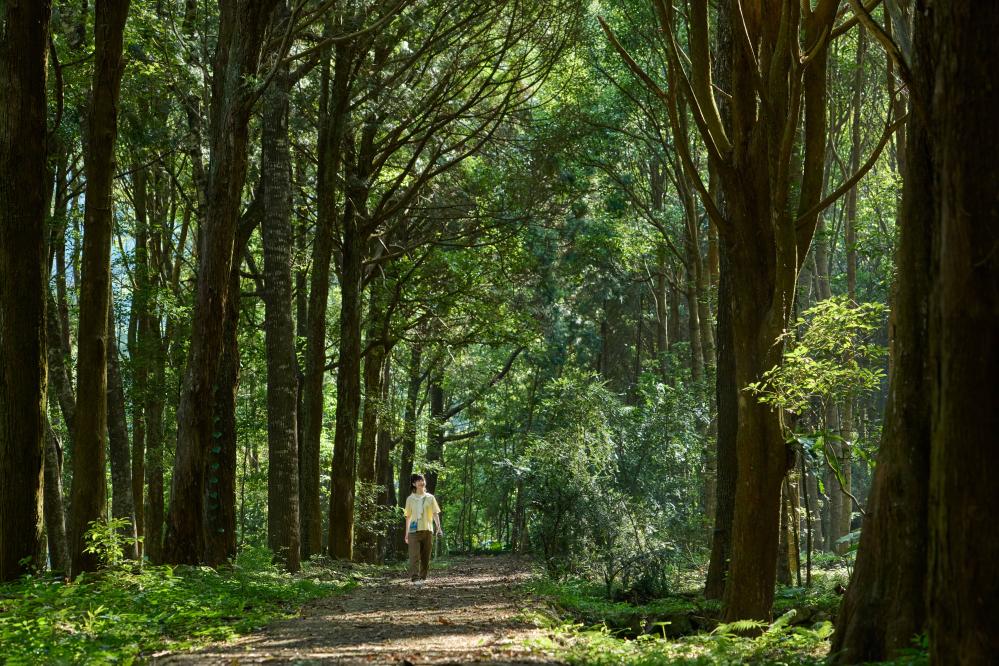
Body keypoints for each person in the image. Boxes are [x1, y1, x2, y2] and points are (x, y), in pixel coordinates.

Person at [403, 473, 442, 584]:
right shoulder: (410, 499)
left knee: (425, 557)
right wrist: (406, 534)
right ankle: (415, 578)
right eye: (419, 480)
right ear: (414, 483)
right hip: (413, 531)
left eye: (422, 480)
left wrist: (439, 527)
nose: (421, 482)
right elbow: (408, 517)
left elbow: (435, 513)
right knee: (414, 555)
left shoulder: (430, 498)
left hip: (427, 530)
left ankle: (422, 577)